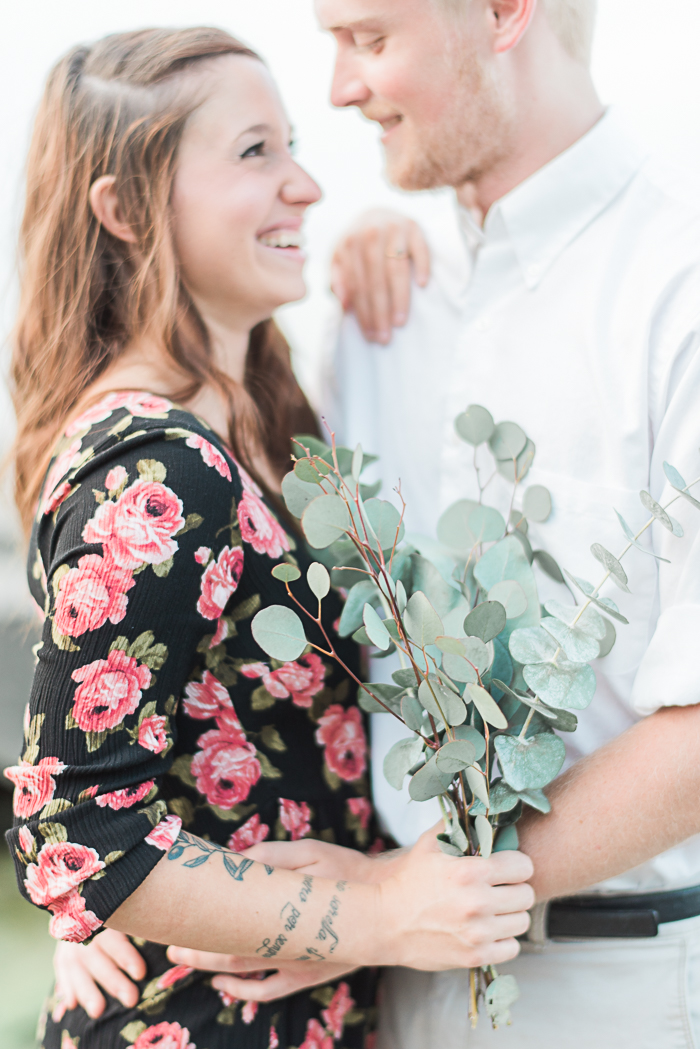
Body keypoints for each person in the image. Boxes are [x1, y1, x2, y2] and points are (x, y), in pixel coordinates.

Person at [3, 26, 536, 1049]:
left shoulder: (251, 423)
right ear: (122, 207)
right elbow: (71, 830)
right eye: (255, 152)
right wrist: (381, 913)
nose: (305, 184)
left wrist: (388, 236)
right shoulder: (159, 470)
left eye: (291, 145)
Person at [320, 0, 700, 1045]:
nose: (339, 88)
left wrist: (399, 892)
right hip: (385, 991)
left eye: (367, 37)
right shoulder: (381, 306)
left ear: (500, 14)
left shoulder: (681, 290)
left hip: (612, 993)